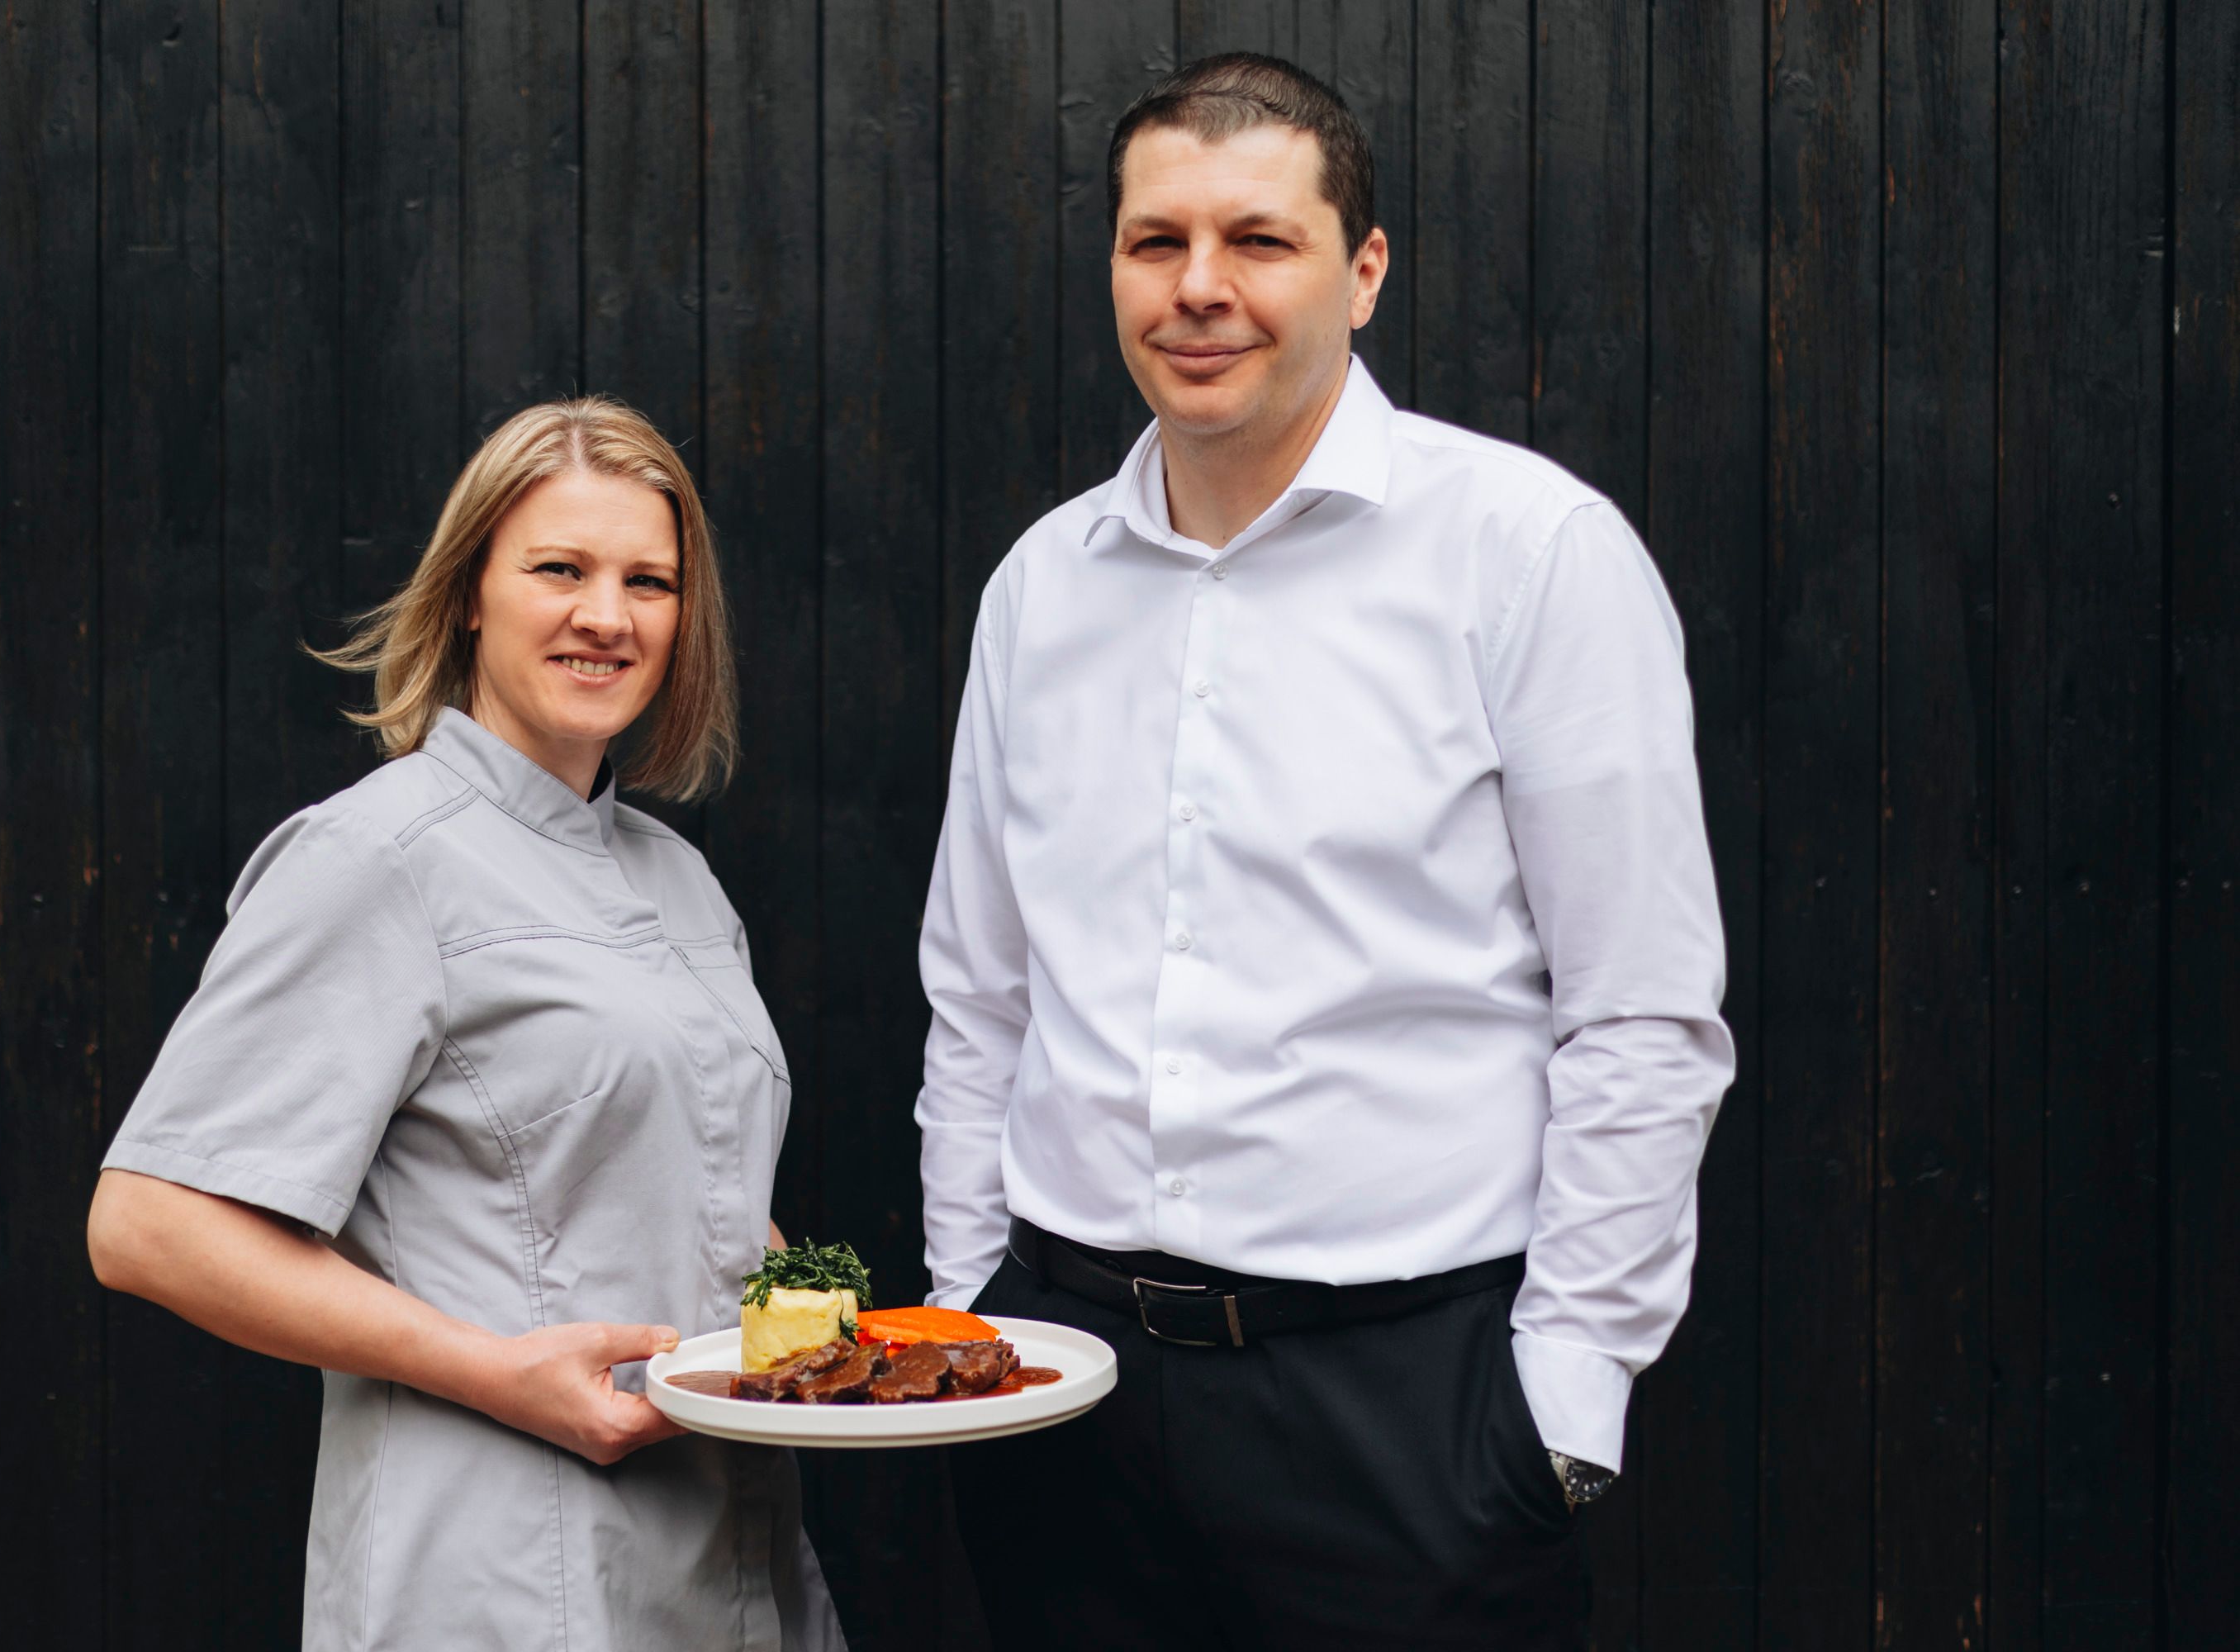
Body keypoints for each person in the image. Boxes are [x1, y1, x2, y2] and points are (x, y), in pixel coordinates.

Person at [917, 54, 1732, 1648]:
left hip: (1407, 1415)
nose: (1200, 289)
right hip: (1060, 1383)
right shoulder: (1042, 586)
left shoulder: (1529, 553)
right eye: (1157, 244)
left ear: (1363, 271)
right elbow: (981, 992)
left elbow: (1641, 1012)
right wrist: (968, 1310)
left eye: (1259, 241)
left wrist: (1560, 1399)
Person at [87, 399, 845, 1651]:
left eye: (648, 581)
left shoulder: (679, 883)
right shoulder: (377, 858)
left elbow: (680, 1176)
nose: (608, 615)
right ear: (471, 596)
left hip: (734, 1555)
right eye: (561, 568)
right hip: (501, 1569)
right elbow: (150, 1225)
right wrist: (503, 1375)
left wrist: (828, 1335)